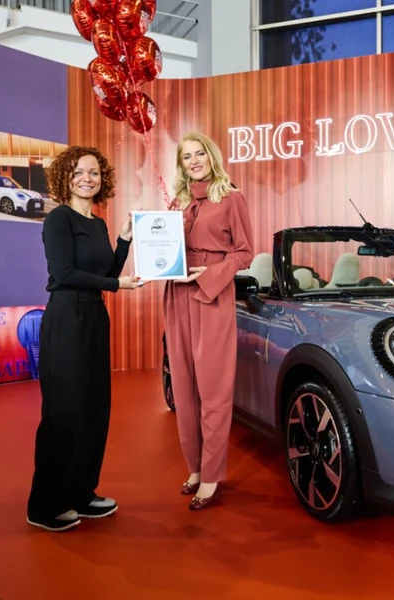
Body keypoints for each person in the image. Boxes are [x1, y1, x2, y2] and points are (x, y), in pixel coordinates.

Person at [26, 146, 141, 532]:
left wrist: (123, 241)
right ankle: (44, 505)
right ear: (65, 177)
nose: (87, 179)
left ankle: (81, 493)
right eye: (78, 172)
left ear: (102, 179)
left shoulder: (99, 224)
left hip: (93, 317)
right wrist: (117, 285)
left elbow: (106, 273)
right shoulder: (58, 219)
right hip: (66, 318)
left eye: (93, 172)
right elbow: (65, 273)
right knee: (63, 413)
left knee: (93, 409)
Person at [163, 132, 254, 511]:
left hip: (212, 293)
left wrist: (211, 273)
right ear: (181, 164)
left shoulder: (230, 197)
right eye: (187, 156)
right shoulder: (178, 201)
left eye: (200, 153)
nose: (194, 161)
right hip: (177, 293)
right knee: (183, 386)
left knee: (213, 388)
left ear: (211, 156)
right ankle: (195, 468)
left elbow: (245, 252)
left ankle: (213, 475)